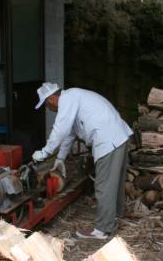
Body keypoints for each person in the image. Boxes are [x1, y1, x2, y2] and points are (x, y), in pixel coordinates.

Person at [32, 82, 133, 240]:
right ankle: (115, 216)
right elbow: (70, 134)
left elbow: (60, 129)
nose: (48, 108)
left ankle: (103, 229)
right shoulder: (74, 97)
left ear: (51, 99)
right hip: (119, 136)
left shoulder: (67, 99)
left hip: (108, 140)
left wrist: (45, 152)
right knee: (115, 182)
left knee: (103, 185)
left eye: (46, 105)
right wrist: (60, 158)